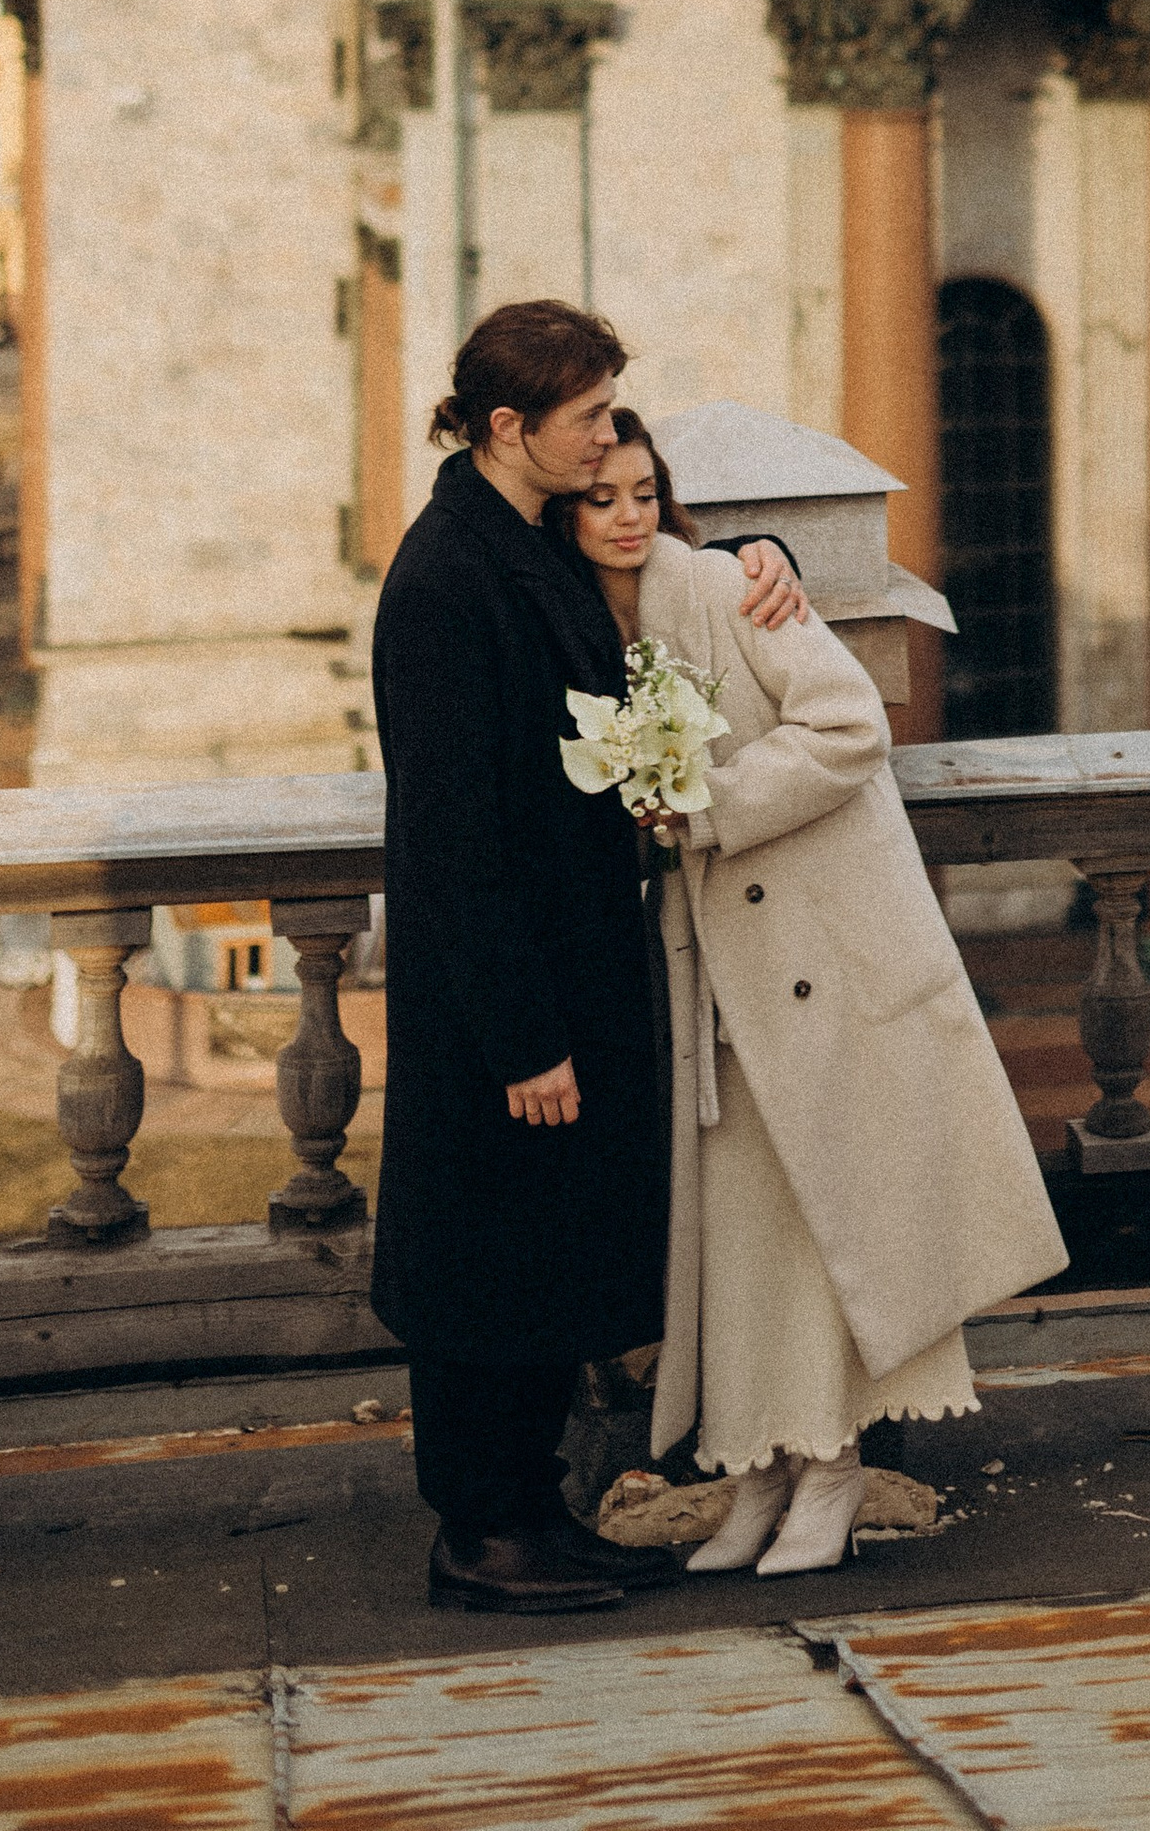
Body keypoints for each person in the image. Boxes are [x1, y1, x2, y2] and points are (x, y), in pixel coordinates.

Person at [369, 299, 804, 1615]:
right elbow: (450, 835)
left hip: (558, 971)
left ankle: (529, 1513)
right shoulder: (447, 577)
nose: (612, 436)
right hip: (500, 1002)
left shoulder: (516, 537)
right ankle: (482, 1535)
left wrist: (759, 552)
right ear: (511, 430)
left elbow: (643, 549)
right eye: (590, 420)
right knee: (485, 1269)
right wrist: (522, 1037)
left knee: (538, 1254)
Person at [583, 436, 1067, 1578]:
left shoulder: (721, 583)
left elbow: (853, 724)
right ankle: (757, 1468)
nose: (626, 517)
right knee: (738, 1239)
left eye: (646, 495)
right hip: (713, 973)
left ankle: (835, 1466)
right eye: (601, 497)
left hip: (815, 956)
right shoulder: (582, 628)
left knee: (821, 1222)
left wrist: (703, 804)